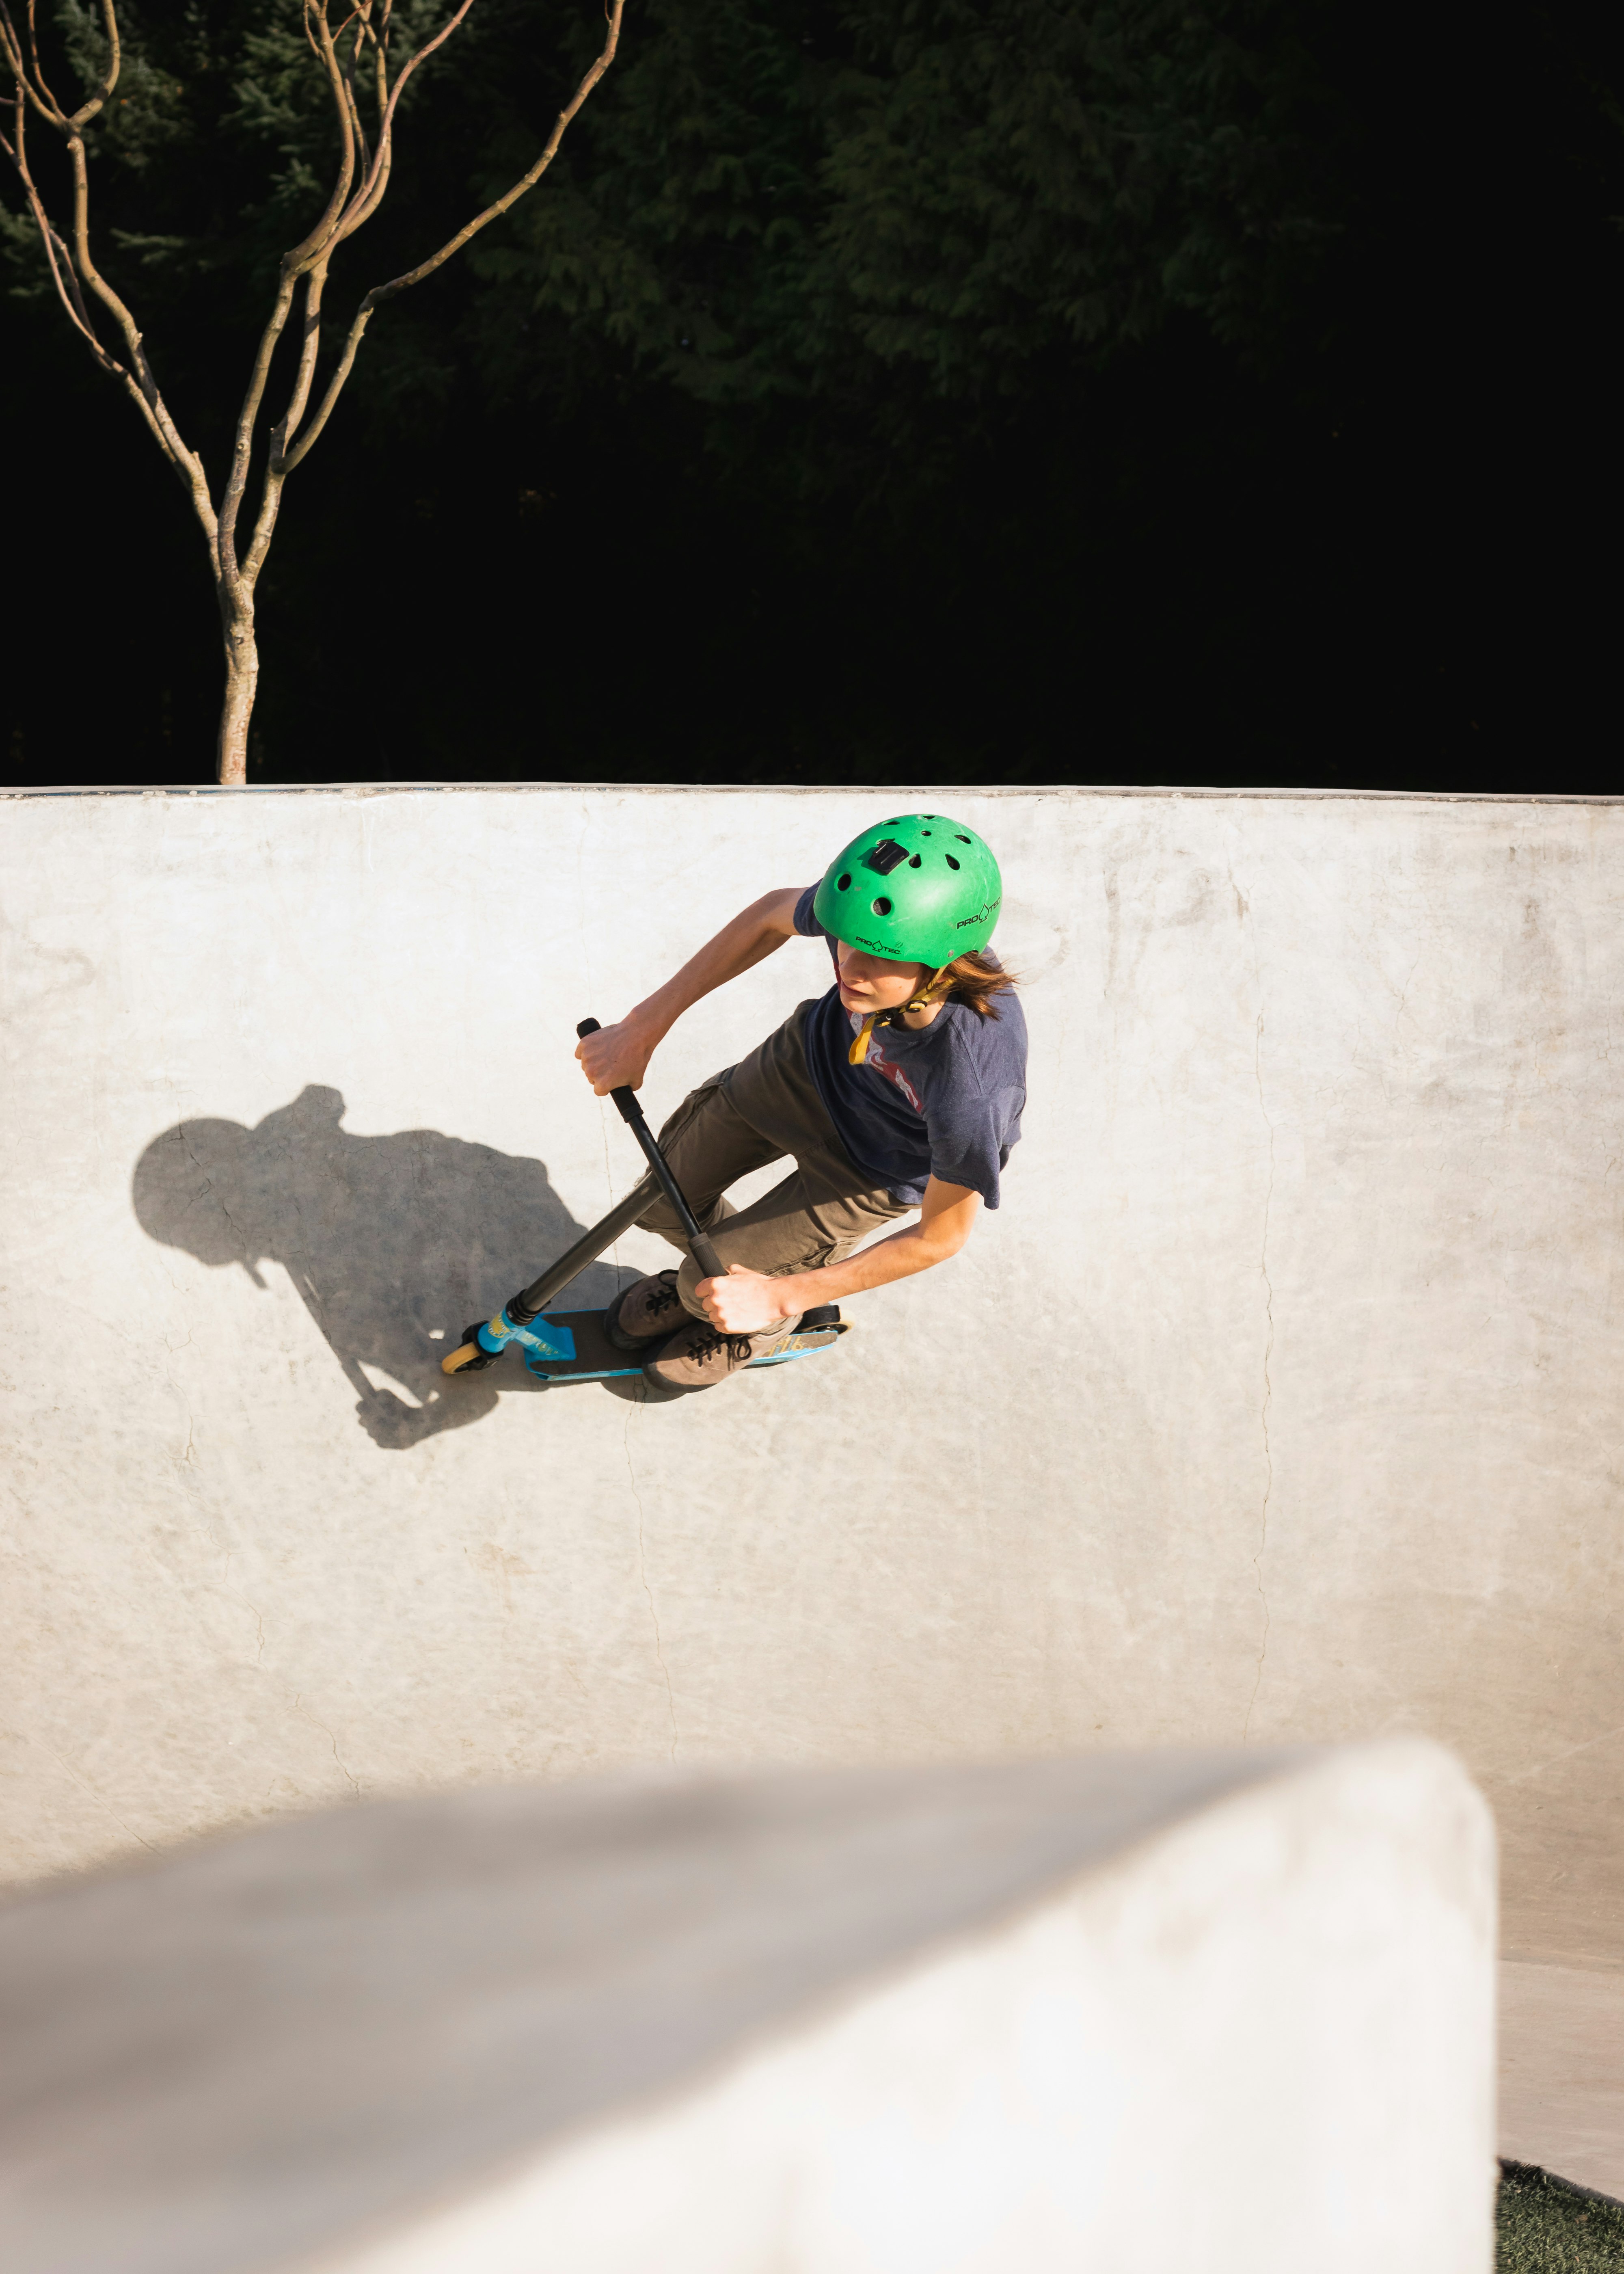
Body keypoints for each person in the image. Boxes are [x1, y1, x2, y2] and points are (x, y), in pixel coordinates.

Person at [576, 812, 1027, 1392]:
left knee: (700, 1283)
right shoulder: (870, 915)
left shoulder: (974, 1084)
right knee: (659, 1204)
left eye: (880, 958)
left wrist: (778, 1294)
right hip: (804, 1071)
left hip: (872, 1168)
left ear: (941, 964)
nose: (850, 967)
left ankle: (757, 1322)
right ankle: (730, 1276)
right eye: (845, 943)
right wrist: (645, 1026)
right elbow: (770, 916)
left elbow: (942, 1237)